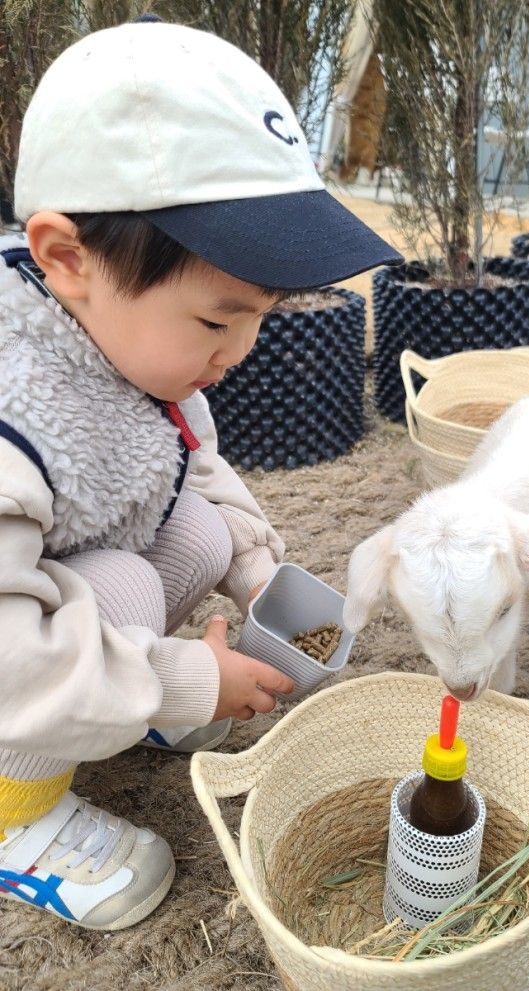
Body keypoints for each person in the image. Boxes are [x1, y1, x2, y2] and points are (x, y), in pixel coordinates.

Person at [0, 18, 401, 931]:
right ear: (67, 258)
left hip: (58, 595)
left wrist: (257, 571)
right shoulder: (13, 409)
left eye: (258, 317)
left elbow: (191, 463)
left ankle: (118, 690)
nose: (241, 351)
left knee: (198, 530)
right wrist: (186, 680)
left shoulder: (137, 345)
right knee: (124, 582)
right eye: (218, 321)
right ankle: (13, 815)